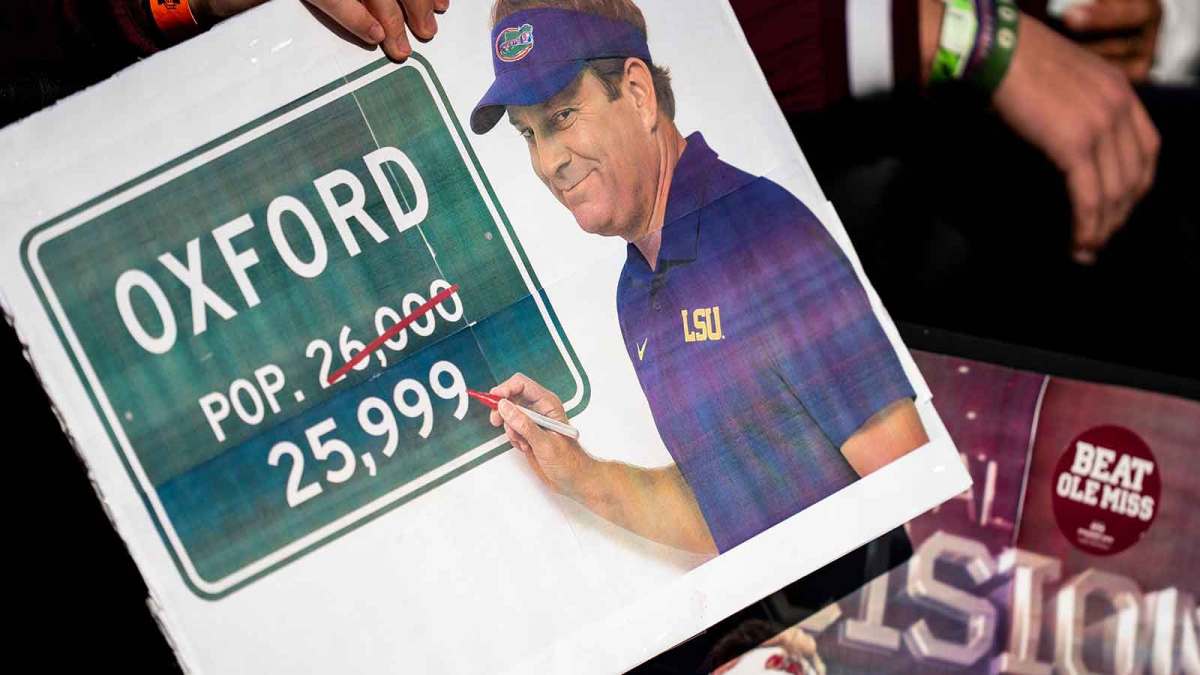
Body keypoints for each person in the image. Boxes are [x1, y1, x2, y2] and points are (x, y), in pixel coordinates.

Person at [472, 0, 929, 556]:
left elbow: (913, 487)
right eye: (529, 134)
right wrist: (579, 473)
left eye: (562, 116)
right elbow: (725, 509)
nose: (549, 162)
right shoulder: (634, 291)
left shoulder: (760, 234)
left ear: (637, 94)